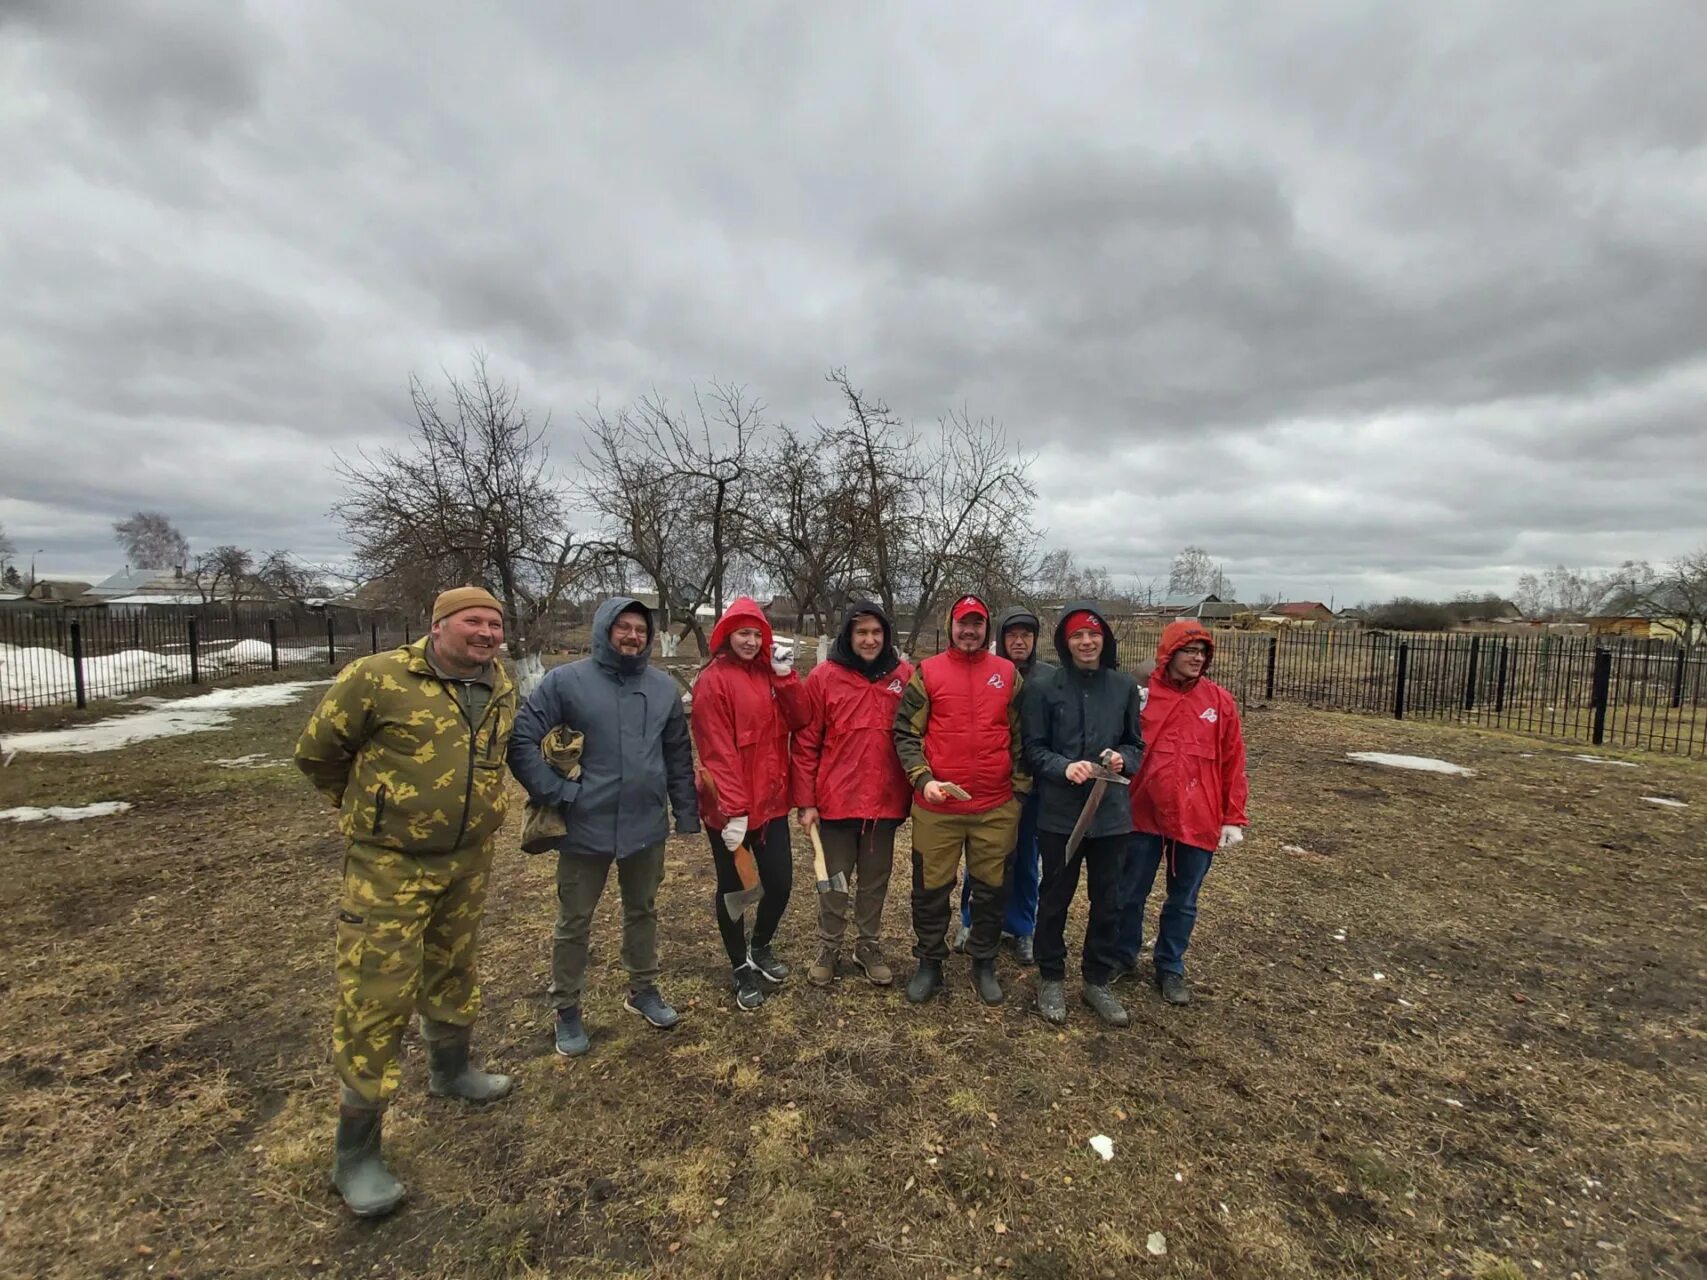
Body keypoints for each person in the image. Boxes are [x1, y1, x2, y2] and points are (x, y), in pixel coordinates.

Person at [294, 586, 519, 1218]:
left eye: (495, 623)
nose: (486, 632)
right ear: (439, 623)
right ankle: (356, 1154)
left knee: (453, 965)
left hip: (468, 857)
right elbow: (317, 754)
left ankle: (451, 1071)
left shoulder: (499, 685)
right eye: (474, 621)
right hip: (388, 867)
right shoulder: (377, 677)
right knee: (378, 993)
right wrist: (374, 811)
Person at [507, 597, 699, 1058]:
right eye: (624, 627)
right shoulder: (566, 682)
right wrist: (560, 793)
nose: (633, 636)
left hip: (644, 824)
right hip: (584, 827)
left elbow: (676, 755)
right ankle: (567, 1009)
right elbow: (521, 740)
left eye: (641, 629)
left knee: (643, 910)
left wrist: (685, 813)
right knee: (574, 920)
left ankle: (643, 990)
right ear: (604, 630)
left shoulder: (661, 688)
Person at [892, 593, 1028, 1005]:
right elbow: (905, 734)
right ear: (950, 625)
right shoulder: (928, 673)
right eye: (963, 623)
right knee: (930, 889)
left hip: (995, 807)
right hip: (939, 806)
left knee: (991, 889)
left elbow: (1022, 738)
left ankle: (983, 959)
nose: (969, 631)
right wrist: (921, 778)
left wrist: (1019, 792)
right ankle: (930, 961)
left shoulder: (1008, 674)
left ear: (987, 630)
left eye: (977, 624)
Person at [1112, 619, 1249, 1006]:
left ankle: (1170, 965)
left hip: (1197, 815)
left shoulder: (1219, 702)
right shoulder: (1141, 696)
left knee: (1183, 899)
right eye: (1189, 650)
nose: (1197, 657)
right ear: (1169, 653)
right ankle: (1123, 955)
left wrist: (1232, 815)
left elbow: (1233, 762)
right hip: (1142, 813)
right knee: (1130, 892)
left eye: (1202, 651)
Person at [1022, 602, 1144, 1026]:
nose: (1086, 642)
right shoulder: (1044, 687)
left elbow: (1136, 745)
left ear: (1104, 640)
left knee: (1108, 900)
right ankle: (1051, 976)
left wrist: (1121, 760)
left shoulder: (1123, 687)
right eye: (1077, 636)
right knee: (1055, 897)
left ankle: (1097, 979)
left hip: (1110, 816)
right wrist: (1063, 766)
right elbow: (1033, 749)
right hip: (1061, 815)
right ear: (1065, 642)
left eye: (1093, 635)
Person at [691, 596, 809, 1010]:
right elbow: (718, 751)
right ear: (726, 634)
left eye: (756, 633)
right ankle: (739, 965)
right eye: (742, 632)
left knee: (779, 882)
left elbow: (801, 719)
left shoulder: (769, 675)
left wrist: (786, 676)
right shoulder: (714, 680)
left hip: (772, 803)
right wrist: (733, 811)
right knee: (736, 889)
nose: (750, 640)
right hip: (730, 810)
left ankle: (761, 946)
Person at [792, 601, 914, 988]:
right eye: (861, 632)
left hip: (885, 801)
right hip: (836, 801)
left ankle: (868, 944)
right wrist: (806, 801)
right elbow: (806, 742)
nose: (869, 640)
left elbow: (918, 733)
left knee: (875, 880)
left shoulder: (904, 676)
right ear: (848, 635)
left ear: (886, 636)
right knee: (834, 879)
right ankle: (829, 945)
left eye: (876, 633)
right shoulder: (824, 677)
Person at [953, 605, 1051, 963]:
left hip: (1032, 788)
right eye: (1012, 634)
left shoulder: (1047, 679)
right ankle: (971, 919)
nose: (1020, 641)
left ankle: (1022, 927)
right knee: (981, 859)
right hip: (990, 785)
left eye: (1027, 635)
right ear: (1001, 638)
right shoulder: (986, 673)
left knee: (1025, 859)